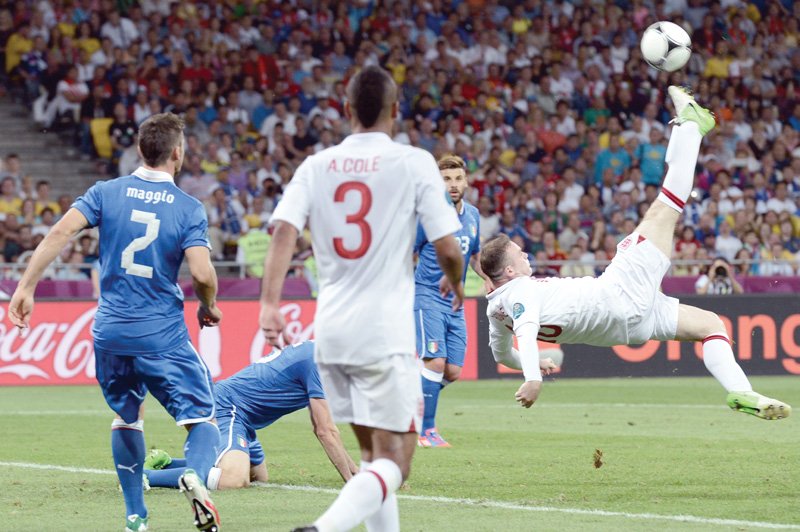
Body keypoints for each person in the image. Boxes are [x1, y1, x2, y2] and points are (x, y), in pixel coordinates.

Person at [480, 87, 791, 421]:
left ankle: (741, 391)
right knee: (665, 208)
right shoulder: (522, 291)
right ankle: (690, 126)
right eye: (517, 253)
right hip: (618, 293)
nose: (525, 253)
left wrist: (535, 362)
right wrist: (533, 377)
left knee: (710, 324)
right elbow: (525, 333)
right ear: (508, 272)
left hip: (627, 328)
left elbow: (503, 354)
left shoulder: (495, 311)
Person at [258, 66, 465, 532]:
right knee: (398, 462)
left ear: (346, 109)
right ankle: (323, 529)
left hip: (330, 334)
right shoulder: (413, 162)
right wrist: (457, 280)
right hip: (384, 333)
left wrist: (269, 304)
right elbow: (448, 246)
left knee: (371, 457)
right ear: (396, 111)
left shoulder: (316, 165)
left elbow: (283, 231)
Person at [8, 113, 224, 532]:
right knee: (203, 420)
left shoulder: (106, 192)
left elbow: (58, 234)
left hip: (110, 332)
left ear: (141, 151)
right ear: (177, 153)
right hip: (161, 333)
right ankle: (193, 474)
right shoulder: (188, 208)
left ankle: (135, 516)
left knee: (127, 416)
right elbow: (201, 273)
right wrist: (208, 304)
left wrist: (26, 287)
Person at [144, 341, 358, 490]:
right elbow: (325, 430)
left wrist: (354, 470)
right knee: (232, 479)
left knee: (258, 477)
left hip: (245, 418)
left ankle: (166, 463)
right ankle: (145, 477)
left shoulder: (318, 352)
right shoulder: (319, 361)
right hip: (228, 407)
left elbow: (322, 427)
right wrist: (350, 480)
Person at [414, 153, 490, 448]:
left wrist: (488, 278)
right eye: (446, 179)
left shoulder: (472, 215)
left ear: (467, 181)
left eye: (458, 178)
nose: (453, 184)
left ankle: (413, 402)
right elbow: (409, 251)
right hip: (428, 295)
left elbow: (473, 255)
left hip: (455, 302)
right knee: (434, 363)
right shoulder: (427, 215)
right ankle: (426, 431)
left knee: (453, 371)